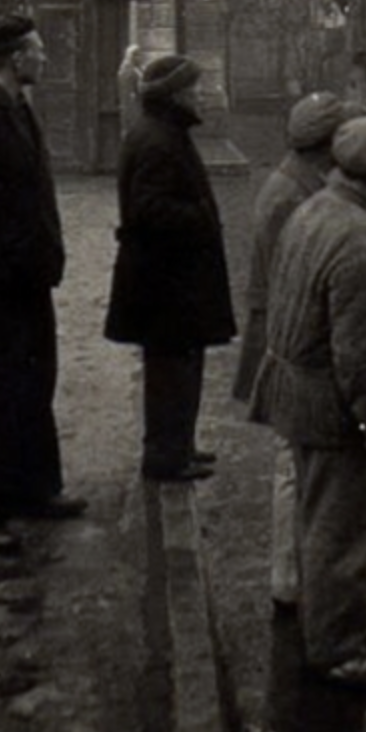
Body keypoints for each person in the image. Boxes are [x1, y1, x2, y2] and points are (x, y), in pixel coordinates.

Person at [250, 115, 366, 691]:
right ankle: (338, 649)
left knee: (316, 516)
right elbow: (363, 352)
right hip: (331, 406)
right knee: (342, 529)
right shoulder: (355, 239)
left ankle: (333, 615)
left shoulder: (316, 207)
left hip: (296, 393)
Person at [0, 14, 86, 556]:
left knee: (34, 385)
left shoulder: (17, 109)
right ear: (14, 58)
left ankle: (33, 489)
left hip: (28, 280)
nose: (45, 56)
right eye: (38, 49)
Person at [232, 90, 351, 611]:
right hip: (288, 337)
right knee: (292, 459)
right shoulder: (292, 197)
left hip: (283, 331)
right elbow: (294, 282)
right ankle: (289, 578)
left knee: (296, 458)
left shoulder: (292, 182)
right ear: (324, 146)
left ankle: (298, 576)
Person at [105, 54, 236, 482]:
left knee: (182, 366)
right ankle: (165, 456)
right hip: (164, 284)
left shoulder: (163, 133)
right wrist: (200, 215)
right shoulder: (158, 140)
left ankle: (180, 447)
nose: (201, 96)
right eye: (194, 90)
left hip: (169, 282)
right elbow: (149, 210)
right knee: (169, 372)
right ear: (175, 95)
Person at [116, 43, 144, 136]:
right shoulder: (127, 71)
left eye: (140, 54)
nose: (140, 58)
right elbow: (128, 93)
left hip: (140, 104)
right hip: (132, 106)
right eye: (137, 55)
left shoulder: (139, 70)